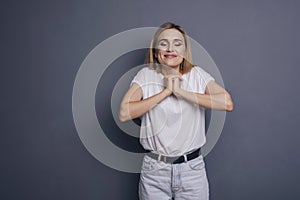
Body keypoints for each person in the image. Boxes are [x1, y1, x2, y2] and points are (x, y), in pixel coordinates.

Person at [119, 22, 234, 200]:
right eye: (164, 43)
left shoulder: (197, 74)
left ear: (184, 50)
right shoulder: (146, 75)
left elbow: (226, 102)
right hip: (155, 170)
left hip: (192, 170)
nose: (170, 48)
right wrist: (165, 92)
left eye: (177, 43)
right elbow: (124, 113)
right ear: (156, 50)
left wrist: (181, 92)